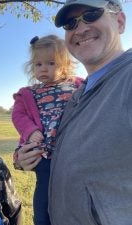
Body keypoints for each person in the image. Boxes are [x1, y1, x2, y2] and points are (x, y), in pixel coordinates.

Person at [48, 1, 132, 225]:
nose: (80, 28)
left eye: (92, 15)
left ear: (120, 22)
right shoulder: (77, 94)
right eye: (70, 23)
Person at [11, 35, 83, 225]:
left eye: (51, 63)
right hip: (44, 156)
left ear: (65, 64)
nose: (43, 68)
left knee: (74, 199)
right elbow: (18, 115)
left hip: (73, 154)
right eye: (38, 64)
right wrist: (31, 131)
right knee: (43, 198)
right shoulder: (28, 93)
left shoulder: (77, 85)